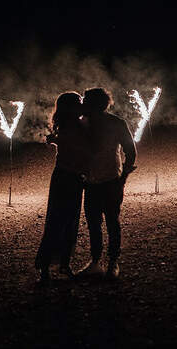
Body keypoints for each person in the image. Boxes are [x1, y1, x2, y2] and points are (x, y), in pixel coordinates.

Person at [78, 87, 137, 280]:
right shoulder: (83, 124)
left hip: (111, 180)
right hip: (92, 181)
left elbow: (131, 151)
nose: (82, 104)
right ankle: (95, 262)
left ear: (95, 104)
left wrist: (123, 177)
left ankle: (112, 262)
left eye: (85, 101)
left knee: (112, 221)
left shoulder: (116, 123)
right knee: (94, 223)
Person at [35, 92, 90, 284]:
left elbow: (69, 146)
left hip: (66, 176)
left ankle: (53, 266)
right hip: (69, 177)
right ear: (71, 107)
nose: (82, 105)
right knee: (62, 222)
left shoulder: (70, 125)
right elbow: (75, 148)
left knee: (64, 222)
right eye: (79, 103)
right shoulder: (76, 126)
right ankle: (53, 266)